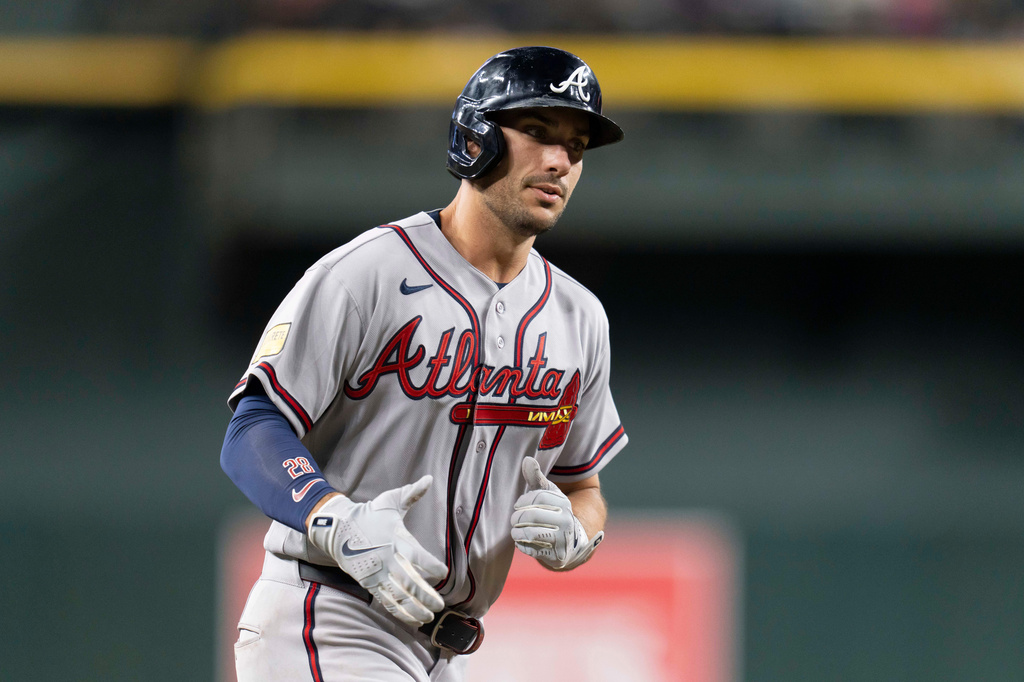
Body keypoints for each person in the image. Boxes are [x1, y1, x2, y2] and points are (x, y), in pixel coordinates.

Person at [220, 46, 629, 682]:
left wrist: (578, 533)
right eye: (538, 133)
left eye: (576, 146)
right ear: (477, 137)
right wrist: (337, 520)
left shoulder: (579, 318)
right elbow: (252, 427)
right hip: (330, 614)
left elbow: (585, 486)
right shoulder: (370, 272)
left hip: (441, 651)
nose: (560, 161)